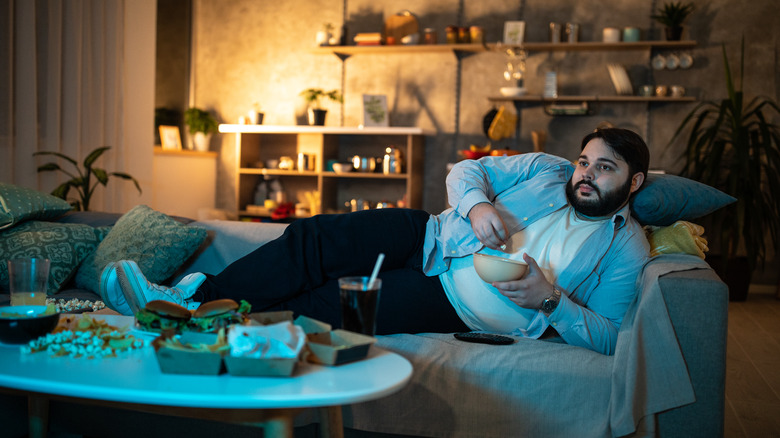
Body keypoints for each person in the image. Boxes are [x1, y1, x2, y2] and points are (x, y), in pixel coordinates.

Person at [101, 127, 650, 355]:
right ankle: (191, 297)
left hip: (451, 302)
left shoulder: (626, 249)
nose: (585, 174)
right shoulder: (546, 171)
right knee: (315, 239)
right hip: (431, 236)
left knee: (327, 305)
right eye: (585, 161)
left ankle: (202, 326)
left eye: (604, 168)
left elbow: (610, 337)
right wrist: (478, 205)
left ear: (634, 182)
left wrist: (550, 300)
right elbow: (465, 172)